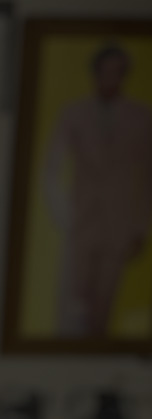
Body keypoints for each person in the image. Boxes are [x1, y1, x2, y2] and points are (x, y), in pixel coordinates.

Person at [42, 45, 152, 337]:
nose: (111, 78)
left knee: (104, 305)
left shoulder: (142, 117)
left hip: (120, 224)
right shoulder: (74, 112)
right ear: (96, 73)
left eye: (117, 72)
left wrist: (141, 227)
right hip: (82, 221)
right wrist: (66, 216)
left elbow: (147, 176)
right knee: (73, 304)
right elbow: (52, 168)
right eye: (106, 71)